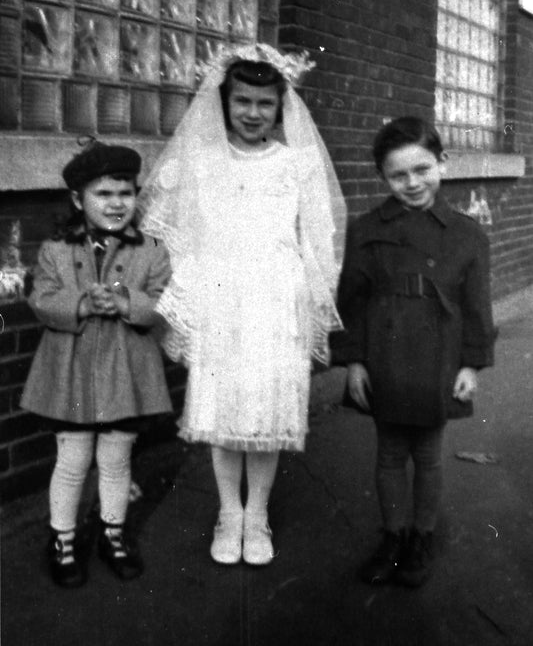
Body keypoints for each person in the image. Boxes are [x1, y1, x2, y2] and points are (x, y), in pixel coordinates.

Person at [137, 42, 346, 566]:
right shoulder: (201, 161)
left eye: (265, 104)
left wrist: (312, 301)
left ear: (281, 108)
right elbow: (178, 231)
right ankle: (230, 512)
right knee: (224, 408)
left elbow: (320, 238)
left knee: (266, 410)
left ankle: (259, 517)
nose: (253, 113)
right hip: (222, 297)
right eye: (242, 101)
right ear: (224, 102)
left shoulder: (296, 163)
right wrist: (188, 294)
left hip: (276, 298)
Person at [333, 116, 496, 587]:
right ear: (383, 178)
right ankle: (393, 536)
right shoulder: (366, 228)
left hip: (439, 358)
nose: (412, 183)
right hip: (384, 356)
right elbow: (352, 300)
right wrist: (354, 361)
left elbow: (477, 308)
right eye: (398, 175)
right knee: (388, 454)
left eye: (422, 169)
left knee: (427, 454)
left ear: (443, 163)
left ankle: (421, 537)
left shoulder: (466, 234)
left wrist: (471, 364)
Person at [21, 140, 172, 588]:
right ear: (77, 200)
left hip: (127, 374)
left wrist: (128, 301)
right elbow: (42, 300)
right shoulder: (55, 249)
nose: (116, 203)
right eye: (103, 194)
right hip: (70, 373)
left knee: (116, 457)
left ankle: (113, 532)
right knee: (72, 458)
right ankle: (62, 538)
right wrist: (84, 302)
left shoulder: (152, 249)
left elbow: (165, 305)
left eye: (125, 193)